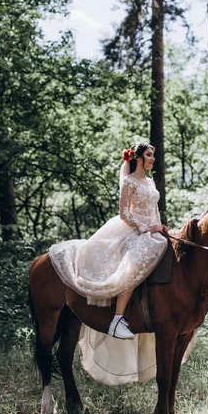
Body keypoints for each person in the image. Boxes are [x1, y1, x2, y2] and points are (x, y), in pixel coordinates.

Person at [49, 141, 168, 340]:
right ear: (138, 158)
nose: (153, 159)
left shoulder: (151, 182)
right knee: (135, 264)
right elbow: (124, 214)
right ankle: (117, 320)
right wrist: (146, 228)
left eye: (153, 155)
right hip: (132, 229)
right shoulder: (129, 182)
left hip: (152, 230)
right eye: (149, 155)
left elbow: (154, 209)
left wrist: (160, 226)